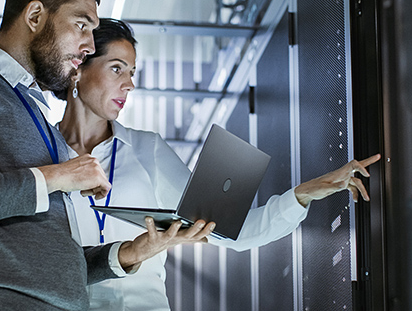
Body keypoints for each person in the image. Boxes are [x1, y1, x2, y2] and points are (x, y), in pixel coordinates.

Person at [0, 0, 213, 310]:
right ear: (35, 16)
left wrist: (131, 252)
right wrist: (60, 175)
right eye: (81, 25)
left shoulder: (34, 112)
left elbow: (52, 262)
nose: (88, 45)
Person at [56, 18, 382, 310]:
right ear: (79, 66)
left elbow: (231, 233)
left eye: (132, 72)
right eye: (117, 69)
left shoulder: (146, 148)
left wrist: (302, 195)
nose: (129, 84)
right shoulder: (42, 156)